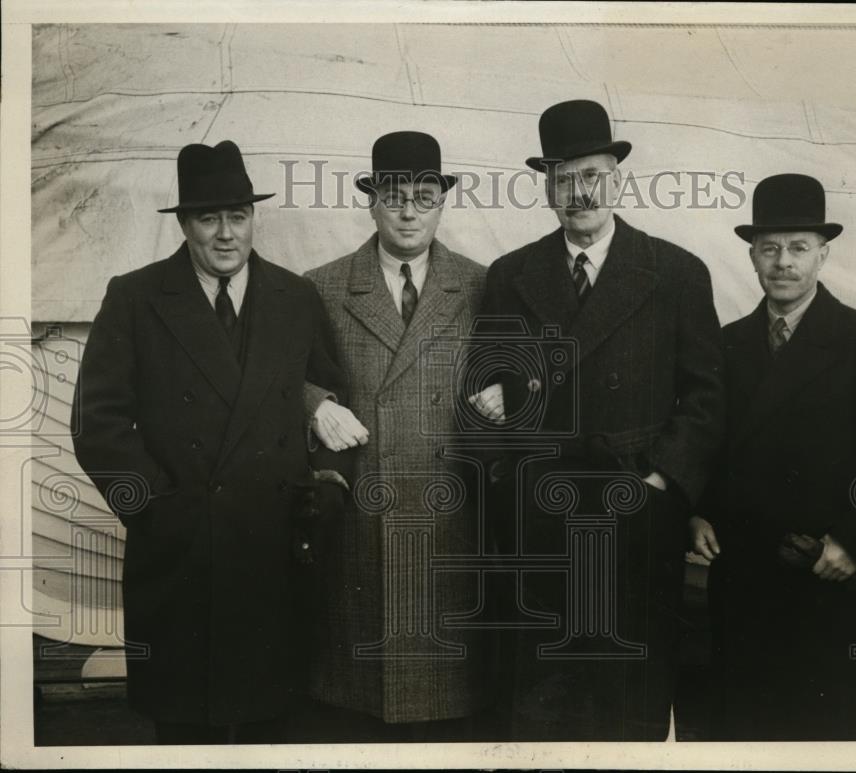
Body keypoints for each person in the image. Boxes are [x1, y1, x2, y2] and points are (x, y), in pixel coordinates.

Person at [71, 140, 353, 744]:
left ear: (254, 218)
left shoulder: (294, 297)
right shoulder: (135, 297)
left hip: (275, 551)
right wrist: (153, 509)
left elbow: (332, 403)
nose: (227, 234)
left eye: (239, 216)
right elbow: (98, 426)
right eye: (209, 218)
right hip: (178, 558)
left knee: (271, 726)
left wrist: (327, 486)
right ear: (184, 223)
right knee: (184, 731)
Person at [469, 99, 726, 741]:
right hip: (543, 519)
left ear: (617, 178)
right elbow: (485, 385)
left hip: (636, 515)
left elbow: (706, 396)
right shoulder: (510, 276)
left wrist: (663, 482)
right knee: (544, 699)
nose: (578, 192)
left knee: (629, 699)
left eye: (591, 174)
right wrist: (509, 460)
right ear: (546, 188)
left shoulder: (675, 272)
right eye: (562, 178)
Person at [691, 173, 856, 740]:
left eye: (798, 247)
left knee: (831, 738)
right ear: (751, 256)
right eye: (770, 248)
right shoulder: (726, 344)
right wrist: (695, 511)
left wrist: (855, 541)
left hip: (830, 580)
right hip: (746, 585)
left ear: (824, 254)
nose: (784, 262)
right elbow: (703, 442)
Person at [297, 131, 491, 741]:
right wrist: (314, 403)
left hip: (451, 514)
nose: (409, 210)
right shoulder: (321, 286)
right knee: (357, 710)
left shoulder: (484, 285)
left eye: (424, 195)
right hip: (362, 516)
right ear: (372, 202)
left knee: (449, 706)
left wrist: (512, 385)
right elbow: (275, 375)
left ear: (442, 203)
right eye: (394, 195)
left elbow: (522, 372)